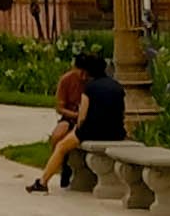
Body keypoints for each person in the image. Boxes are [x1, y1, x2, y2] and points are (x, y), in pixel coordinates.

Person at [28, 49, 117, 192]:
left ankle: (44, 180)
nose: (83, 76)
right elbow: (60, 107)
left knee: (63, 146)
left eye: (85, 73)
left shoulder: (90, 87)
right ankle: (61, 165)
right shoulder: (116, 86)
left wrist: (79, 125)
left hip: (89, 125)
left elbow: (83, 117)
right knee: (58, 134)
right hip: (103, 127)